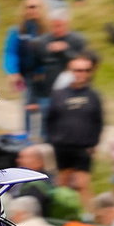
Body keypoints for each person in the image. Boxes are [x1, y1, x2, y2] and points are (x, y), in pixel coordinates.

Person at [46, 56, 103, 207]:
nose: (82, 74)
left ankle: (88, 215)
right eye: (78, 70)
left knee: (82, 184)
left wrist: (94, 143)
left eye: (86, 70)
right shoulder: (58, 94)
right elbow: (50, 119)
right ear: (70, 71)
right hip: (62, 146)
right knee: (62, 184)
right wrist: (52, 140)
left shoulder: (93, 96)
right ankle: (61, 213)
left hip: (83, 147)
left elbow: (98, 121)